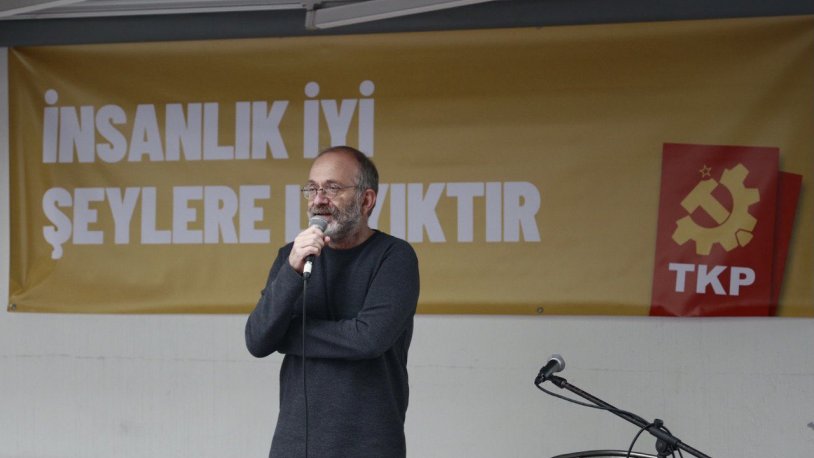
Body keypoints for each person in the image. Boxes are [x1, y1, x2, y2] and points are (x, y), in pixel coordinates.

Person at [245, 146, 420, 458]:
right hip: (294, 445)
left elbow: (368, 339)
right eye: (312, 189)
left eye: (332, 188)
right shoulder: (291, 256)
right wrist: (291, 271)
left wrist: (288, 335)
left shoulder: (394, 256)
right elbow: (258, 340)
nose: (318, 199)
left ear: (366, 200)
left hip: (368, 446)